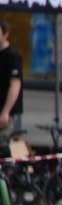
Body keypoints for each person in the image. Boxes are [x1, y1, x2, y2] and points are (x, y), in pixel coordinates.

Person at [0, 20, 24, 160]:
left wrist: (6, 111)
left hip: (8, 113)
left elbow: (15, 84)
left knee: (6, 146)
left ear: (5, 34)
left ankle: (15, 169)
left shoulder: (12, 56)